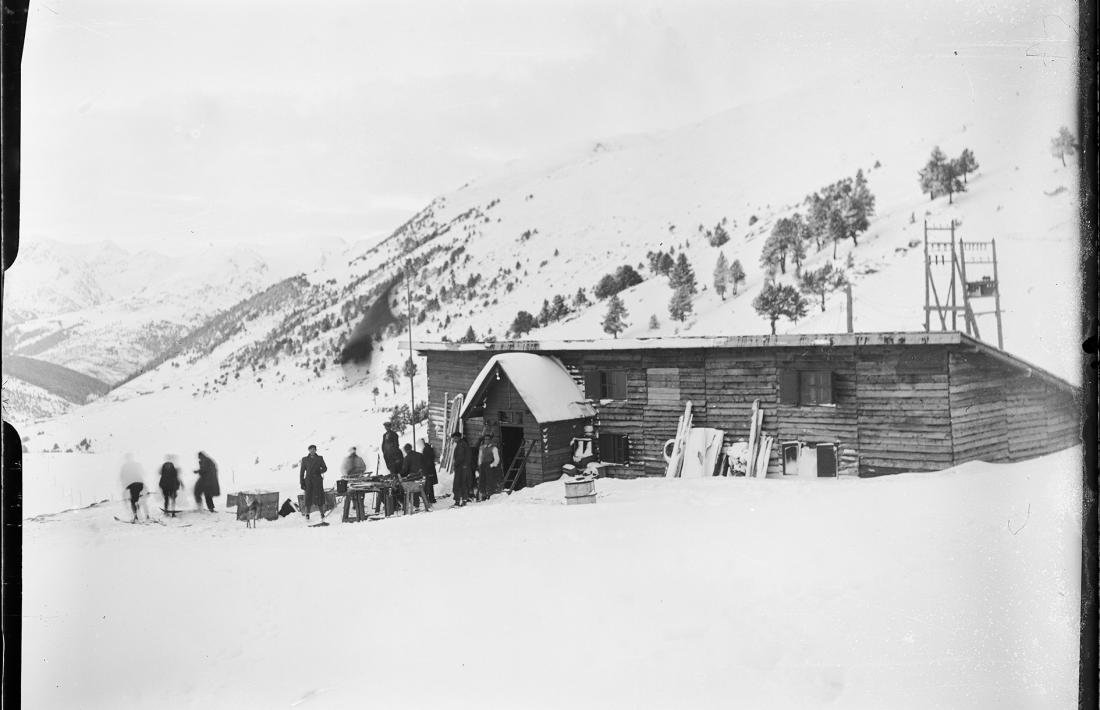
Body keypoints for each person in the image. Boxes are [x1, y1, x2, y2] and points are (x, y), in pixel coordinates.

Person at [299, 444, 329, 521]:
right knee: (308, 498)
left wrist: (319, 471)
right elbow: (302, 472)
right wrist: (302, 483)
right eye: (311, 449)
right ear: (308, 450)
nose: (312, 451)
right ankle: (307, 514)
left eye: (314, 449)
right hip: (308, 481)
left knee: (319, 497)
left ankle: (322, 513)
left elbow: (325, 468)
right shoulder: (305, 459)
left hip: (318, 481)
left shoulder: (320, 458)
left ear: (316, 450)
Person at [119, 453, 149, 522]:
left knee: (133, 501)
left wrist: (125, 485)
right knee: (143, 500)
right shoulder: (137, 464)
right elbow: (143, 473)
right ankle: (147, 516)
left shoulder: (124, 466)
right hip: (141, 484)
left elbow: (122, 477)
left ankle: (136, 517)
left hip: (132, 485)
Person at [477, 433, 502, 501]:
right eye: (485, 439)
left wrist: (491, 465)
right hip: (483, 466)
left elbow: (497, 459)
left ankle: (490, 495)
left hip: (490, 466)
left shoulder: (494, 448)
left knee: (490, 481)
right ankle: (483, 495)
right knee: (482, 481)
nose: (486, 440)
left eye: (488, 439)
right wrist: (479, 465)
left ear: (490, 440)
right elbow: (480, 457)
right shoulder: (482, 447)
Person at [451, 432, 472, 507]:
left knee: (458, 484)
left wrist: (455, 464)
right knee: (463, 484)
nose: (454, 439)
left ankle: (457, 501)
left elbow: (460, 457)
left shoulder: (461, 445)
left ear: (459, 437)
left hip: (461, 468)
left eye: (455, 438)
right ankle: (464, 500)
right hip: (464, 467)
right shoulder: (463, 444)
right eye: (453, 438)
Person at [420, 438, 438, 505]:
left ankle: (431, 499)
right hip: (431, 469)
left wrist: (428, 471)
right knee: (430, 485)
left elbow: (428, 461)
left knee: (429, 485)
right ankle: (431, 498)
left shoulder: (426, 450)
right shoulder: (429, 448)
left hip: (429, 470)